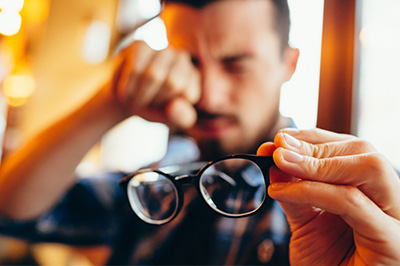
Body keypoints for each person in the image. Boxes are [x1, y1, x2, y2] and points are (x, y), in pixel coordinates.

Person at [0, 0, 399, 265]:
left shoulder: (353, 212)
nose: (207, 94)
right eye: (189, 62)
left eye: (236, 63)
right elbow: (13, 212)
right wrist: (111, 100)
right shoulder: (154, 190)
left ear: (288, 64)